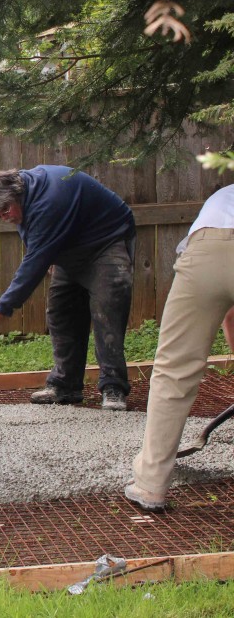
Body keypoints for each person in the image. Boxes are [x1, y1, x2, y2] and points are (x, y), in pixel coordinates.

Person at [0, 166, 136, 410]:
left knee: (107, 313)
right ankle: (65, 385)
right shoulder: (24, 197)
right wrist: (48, 251)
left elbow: (32, 266)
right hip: (70, 246)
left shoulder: (48, 201)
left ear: (17, 193)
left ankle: (113, 387)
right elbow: (36, 242)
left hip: (106, 241)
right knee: (61, 312)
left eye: (5, 209)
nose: (3, 216)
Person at [126, 184, 234, 512]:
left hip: (207, 249)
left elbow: (229, 313)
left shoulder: (222, 197)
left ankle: (150, 485)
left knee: (175, 368)